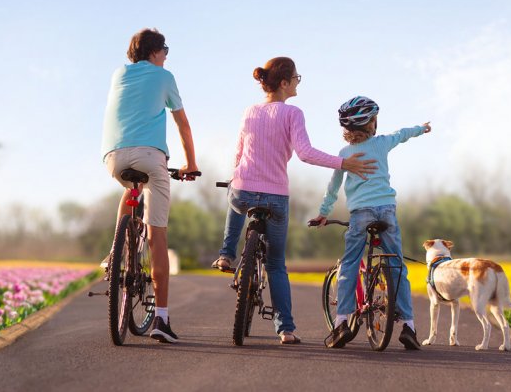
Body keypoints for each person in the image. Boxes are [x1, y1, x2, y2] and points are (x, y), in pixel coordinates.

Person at [213, 57, 377, 344]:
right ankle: (285, 329)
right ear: (285, 83)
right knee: (276, 263)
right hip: (276, 196)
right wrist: (343, 163)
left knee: (234, 198)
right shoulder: (293, 113)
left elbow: (238, 154)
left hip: (243, 191)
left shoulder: (249, 111)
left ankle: (227, 252)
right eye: (297, 78)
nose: (298, 83)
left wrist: (236, 178)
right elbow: (305, 153)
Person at [310, 96, 431, 350]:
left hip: (360, 214)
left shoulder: (344, 154)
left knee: (350, 264)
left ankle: (342, 322)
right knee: (397, 265)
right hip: (387, 211)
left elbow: (333, 188)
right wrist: (422, 129)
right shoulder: (382, 143)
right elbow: (402, 134)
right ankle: (409, 326)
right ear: (371, 124)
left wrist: (323, 212)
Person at [101, 28, 198, 343]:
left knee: (130, 190)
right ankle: (162, 319)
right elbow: (182, 122)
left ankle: (115, 252)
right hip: (151, 157)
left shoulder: (119, 73)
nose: (167, 55)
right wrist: (191, 164)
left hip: (114, 157)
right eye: (166, 50)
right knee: (158, 235)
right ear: (156, 52)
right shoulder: (164, 76)